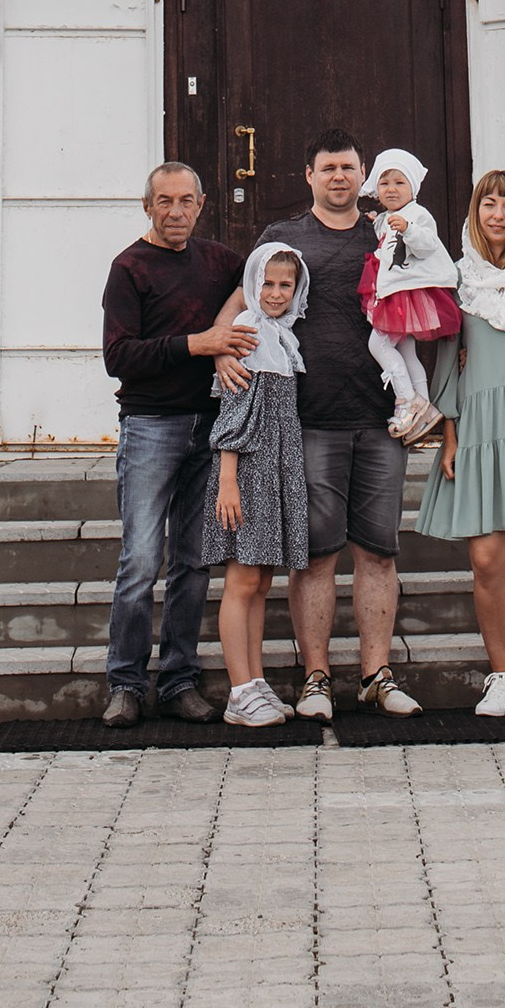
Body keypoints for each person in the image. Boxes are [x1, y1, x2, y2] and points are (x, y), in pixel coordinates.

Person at [221, 126, 421, 719]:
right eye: (327, 167)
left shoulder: (387, 232)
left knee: (379, 552)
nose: (339, 177)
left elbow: (427, 294)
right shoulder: (284, 237)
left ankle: (377, 674)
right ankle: (315, 678)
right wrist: (223, 347)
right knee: (313, 555)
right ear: (308, 176)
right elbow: (244, 299)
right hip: (307, 421)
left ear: (364, 176)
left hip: (380, 417)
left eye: (349, 168)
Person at [98, 159, 254, 727]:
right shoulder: (129, 269)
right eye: (165, 201)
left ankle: (180, 681)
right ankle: (126, 684)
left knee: (192, 562)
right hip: (151, 428)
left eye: (186, 201)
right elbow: (120, 357)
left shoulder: (218, 261)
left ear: (202, 203)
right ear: (148, 206)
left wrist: (225, 333)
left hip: (212, 428)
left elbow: (262, 276)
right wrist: (200, 342)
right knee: (141, 560)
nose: (176, 212)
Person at [414, 166, 505, 718]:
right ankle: (501, 670)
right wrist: (448, 434)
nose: (498, 215)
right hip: (479, 425)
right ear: (474, 213)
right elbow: (449, 360)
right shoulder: (456, 276)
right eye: (488, 205)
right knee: (485, 558)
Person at [203, 242, 312, 729]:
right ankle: (239, 690)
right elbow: (234, 409)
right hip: (247, 470)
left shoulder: (283, 336)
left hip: (276, 466)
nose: (274, 293)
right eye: (266, 283)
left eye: (284, 285)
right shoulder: (247, 329)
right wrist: (229, 480)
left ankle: (255, 680)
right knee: (243, 580)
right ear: (252, 284)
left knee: (262, 580)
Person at [359, 147, 462, 441]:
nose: (391, 189)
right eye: (384, 183)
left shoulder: (417, 214)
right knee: (405, 350)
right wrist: (374, 220)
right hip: (393, 294)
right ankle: (424, 404)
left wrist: (408, 229)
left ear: (413, 187)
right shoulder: (389, 216)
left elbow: (428, 244)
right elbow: (383, 232)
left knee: (378, 344)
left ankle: (406, 398)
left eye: (399, 183)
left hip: (407, 295)